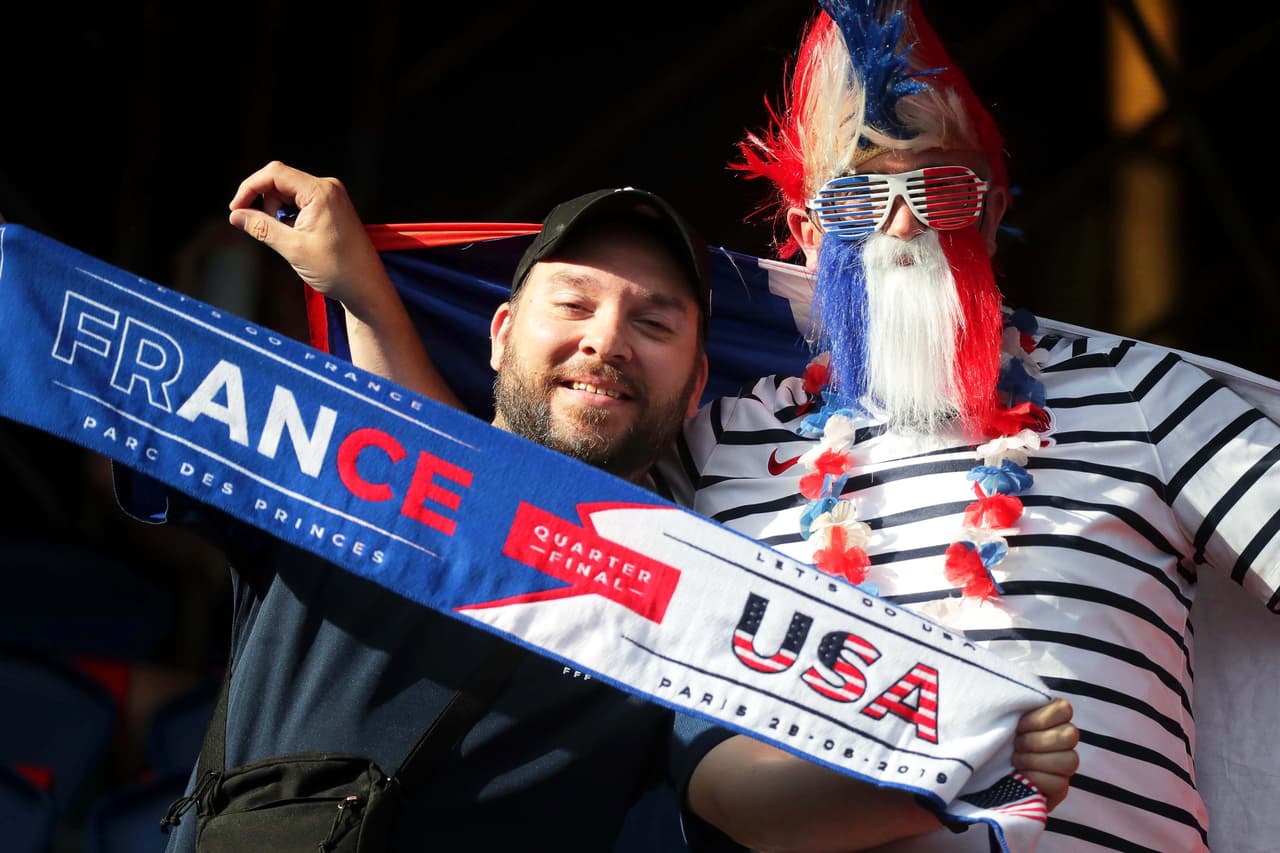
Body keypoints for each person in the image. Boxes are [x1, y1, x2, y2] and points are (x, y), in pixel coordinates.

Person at [165, 159, 1081, 853]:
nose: (606, 339)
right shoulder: (339, 457)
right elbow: (453, 479)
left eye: (654, 323)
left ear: (694, 391)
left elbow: (740, 795)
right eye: (573, 301)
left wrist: (943, 769)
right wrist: (361, 292)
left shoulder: (693, 591)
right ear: (500, 333)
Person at [653, 1, 1280, 851]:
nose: (902, 223)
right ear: (806, 234)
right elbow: (517, 531)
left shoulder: (1141, 392)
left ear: (990, 209)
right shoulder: (724, 439)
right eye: (858, 197)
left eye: (938, 186)